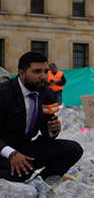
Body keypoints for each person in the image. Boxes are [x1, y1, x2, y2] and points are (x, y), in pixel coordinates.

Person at [0, 51, 82, 184]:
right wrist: (11, 154)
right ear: (21, 73)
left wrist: (53, 130)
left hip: (25, 147)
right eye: (37, 72)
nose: (43, 76)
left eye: (45, 71)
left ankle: (39, 186)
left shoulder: (46, 93)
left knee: (73, 149)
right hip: (3, 150)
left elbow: (46, 133)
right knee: (23, 171)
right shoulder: (4, 93)